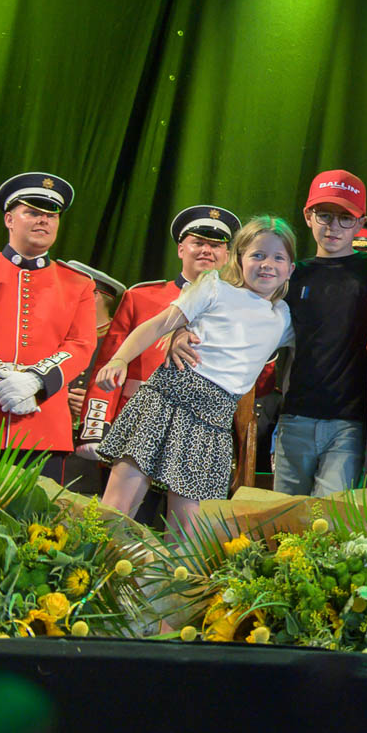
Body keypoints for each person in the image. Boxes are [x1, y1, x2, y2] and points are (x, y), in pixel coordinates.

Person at [95, 217, 296, 535]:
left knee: (188, 533)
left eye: (278, 257)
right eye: (257, 255)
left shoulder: (282, 316)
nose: (267, 264)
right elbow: (159, 324)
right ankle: (94, 563)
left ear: (290, 269)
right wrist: (120, 359)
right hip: (166, 399)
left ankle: (168, 572)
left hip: (213, 420)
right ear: (239, 258)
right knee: (116, 509)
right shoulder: (214, 287)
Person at [257, 171, 367, 497]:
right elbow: (245, 314)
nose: (333, 227)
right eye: (325, 215)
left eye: (346, 218)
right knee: (286, 517)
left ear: (361, 224)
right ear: (308, 216)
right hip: (295, 418)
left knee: (328, 517)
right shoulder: (292, 275)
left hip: (349, 424)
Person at [0, 173, 97, 484]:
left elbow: (81, 344)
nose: (43, 220)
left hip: (43, 428)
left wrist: (36, 380)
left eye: (51, 215)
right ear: (9, 219)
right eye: (32, 212)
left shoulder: (78, 284)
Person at [87, 205, 241, 443]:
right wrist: (95, 430)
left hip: (199, 429)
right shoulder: (140, 298)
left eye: (216, 245)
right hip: (136, 420)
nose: (206, 250)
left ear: (227, 255)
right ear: (181, 249)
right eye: (198, 243)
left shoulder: (237, 308)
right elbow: (109, 365)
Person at [57, 260, 126, 491]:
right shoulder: (59, 334)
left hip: (90, 456)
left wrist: (93, 407)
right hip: (48, 440)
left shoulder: (122, 345)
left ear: (93, 296)